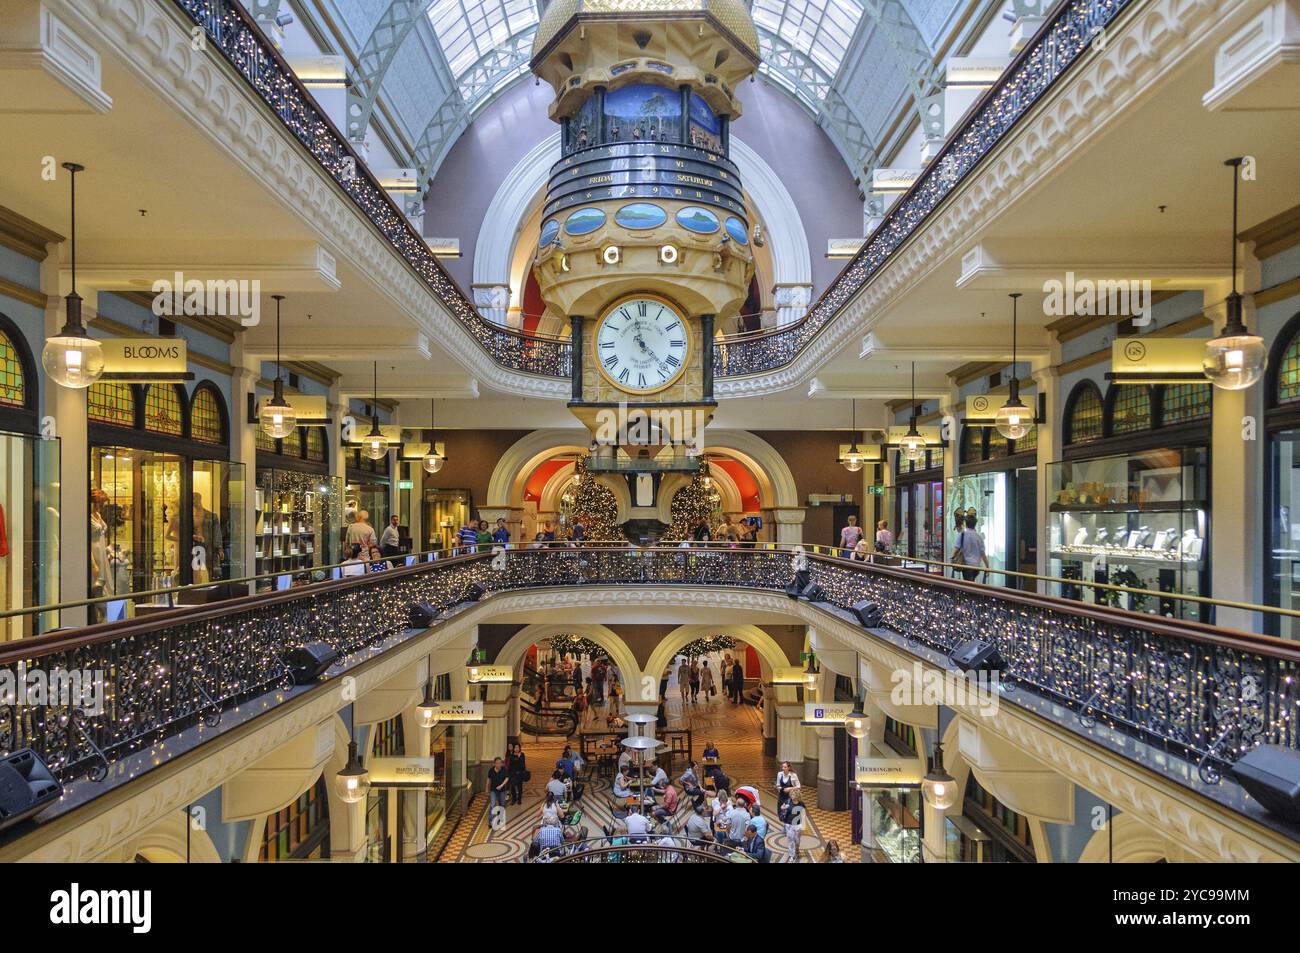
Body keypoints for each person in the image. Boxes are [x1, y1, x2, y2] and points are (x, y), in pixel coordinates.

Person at [952, 512, 990, 582]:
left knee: (968, 585)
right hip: (976, 567)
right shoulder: (979, 537)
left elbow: (956, 549)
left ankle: (971, 592)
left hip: (966, 566)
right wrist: (987, 567)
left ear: (965, 523)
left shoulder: (962, 535)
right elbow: (983, 554)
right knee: (971, 583)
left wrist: (952, 558)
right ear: (975, 524)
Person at [779, 790, 806, 863]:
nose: (792, 796)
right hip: (789, 824)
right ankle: (791, 855)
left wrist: (804, 825)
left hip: (798, 825)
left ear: (797, 795)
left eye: (793, 794)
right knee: (790, 840)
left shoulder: (801, 804)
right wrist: (783, 808)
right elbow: (782, 808)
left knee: (797, 840)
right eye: (791, 794)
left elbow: (803, 814)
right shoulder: (788, 802)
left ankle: (797, 848)